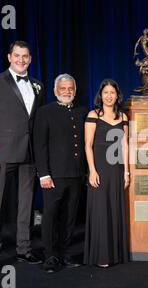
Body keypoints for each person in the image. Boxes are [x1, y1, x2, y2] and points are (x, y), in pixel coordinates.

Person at [0, 40, 44, 271]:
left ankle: (24, 250)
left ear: (30, 59)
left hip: (30, 153)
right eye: (17, 55)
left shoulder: (38, 85)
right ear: (9, 57)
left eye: (25, 56)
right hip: (3, 153)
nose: (21, 60)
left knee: (26, 204)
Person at [33, 74, 88, 273]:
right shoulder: (45, 112)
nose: (67, 92)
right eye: (63, 88)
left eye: (70, 88)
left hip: (76, 174)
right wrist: (43, 174)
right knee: (50, 217)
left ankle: (64, 253)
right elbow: (40, 146)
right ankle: (50, 256)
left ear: (75, 90)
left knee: (69, 216)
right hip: (53, 176)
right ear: (55, 91)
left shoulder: (82, 111)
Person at [84, 79, 129, 268]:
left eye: (112, 92)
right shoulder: (92, 115)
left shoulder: (124, 117)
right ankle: (101, 256)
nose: (109, 96)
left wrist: (126, 171)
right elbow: (88, 145)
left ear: (117, 95)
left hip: (116, 169)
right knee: (101, 210)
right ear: (100, 95)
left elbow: (125, 145)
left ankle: (115, 254)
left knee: (114, 208)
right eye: (106, 93)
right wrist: (92, 171)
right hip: (100, 168)